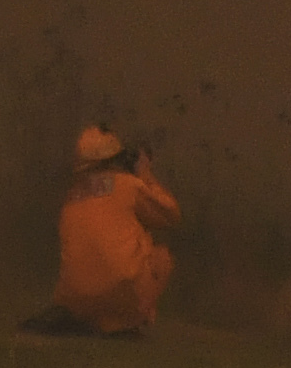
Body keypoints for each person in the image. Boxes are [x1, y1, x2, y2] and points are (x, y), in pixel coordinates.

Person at [28, 126, 181, 337]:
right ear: (115, 157)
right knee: (162, 258)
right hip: (123, 295)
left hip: (74, 300)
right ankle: (127, 323)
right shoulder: (128, 185)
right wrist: (145, 174)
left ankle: (91, 319)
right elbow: (170, 214)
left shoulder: (71, 197)